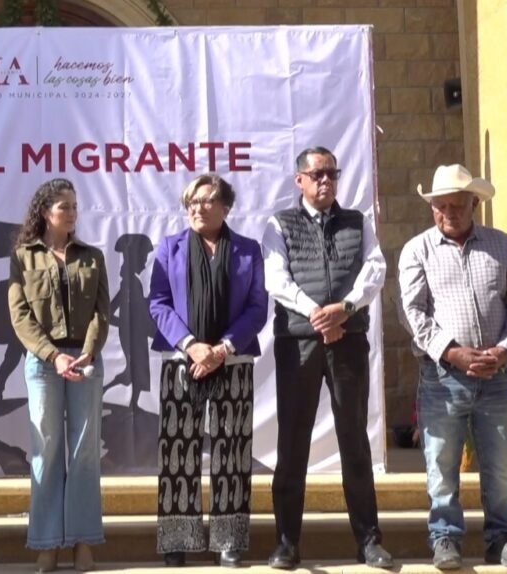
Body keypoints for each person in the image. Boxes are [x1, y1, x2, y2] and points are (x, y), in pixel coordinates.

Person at [260, 147, 393, 569]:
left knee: (354, 438)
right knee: (293, 441)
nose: (325, 181)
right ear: (299, 179)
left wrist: (346, 308)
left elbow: (374, 269)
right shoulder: (278, 223)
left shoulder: (358, 221)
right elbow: (276, 278)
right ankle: (286, 542)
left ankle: (369, 541)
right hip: (299, 341)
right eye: (316, 174)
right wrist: (320, 315)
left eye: (331, 173)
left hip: (348, 339)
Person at [398, 164, 507, 570]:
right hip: (443, 377)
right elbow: (411, 312)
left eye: (456, 205)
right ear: (432, 209)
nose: (448, 214)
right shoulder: (417, 250)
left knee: (499, 468)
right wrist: (451, 351)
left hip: (496, 374)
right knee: (441, 466)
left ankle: (502, 540)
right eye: (440, 207)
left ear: (474, 204)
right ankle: (445, 540)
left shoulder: (502, 245)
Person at [147, 173, 268, 567]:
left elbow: (257, 308)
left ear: (226, 207)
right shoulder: (170, 248)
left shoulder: (248, 251)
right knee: (178, 452)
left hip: (231, 361)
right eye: (191, 202)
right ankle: (178, 540)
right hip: (183, 362)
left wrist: (221, 348)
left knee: (232, 449)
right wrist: (192, 346)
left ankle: (229, 540)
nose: (197, 208)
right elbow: (159, 303)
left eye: (206, 200)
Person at [7, 178, 109, 573]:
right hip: (44, 363)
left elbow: (102, 311)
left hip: (84, 359)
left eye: (74, 205)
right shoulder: (23, 256)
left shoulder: (92, 256)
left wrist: (86, 352)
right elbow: (20, 316)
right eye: (63, 206)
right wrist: (53, 357)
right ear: (45, 211)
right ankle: (47, 543)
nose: (71, 212)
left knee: (84, 452)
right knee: (45, 451)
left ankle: (83, 542)